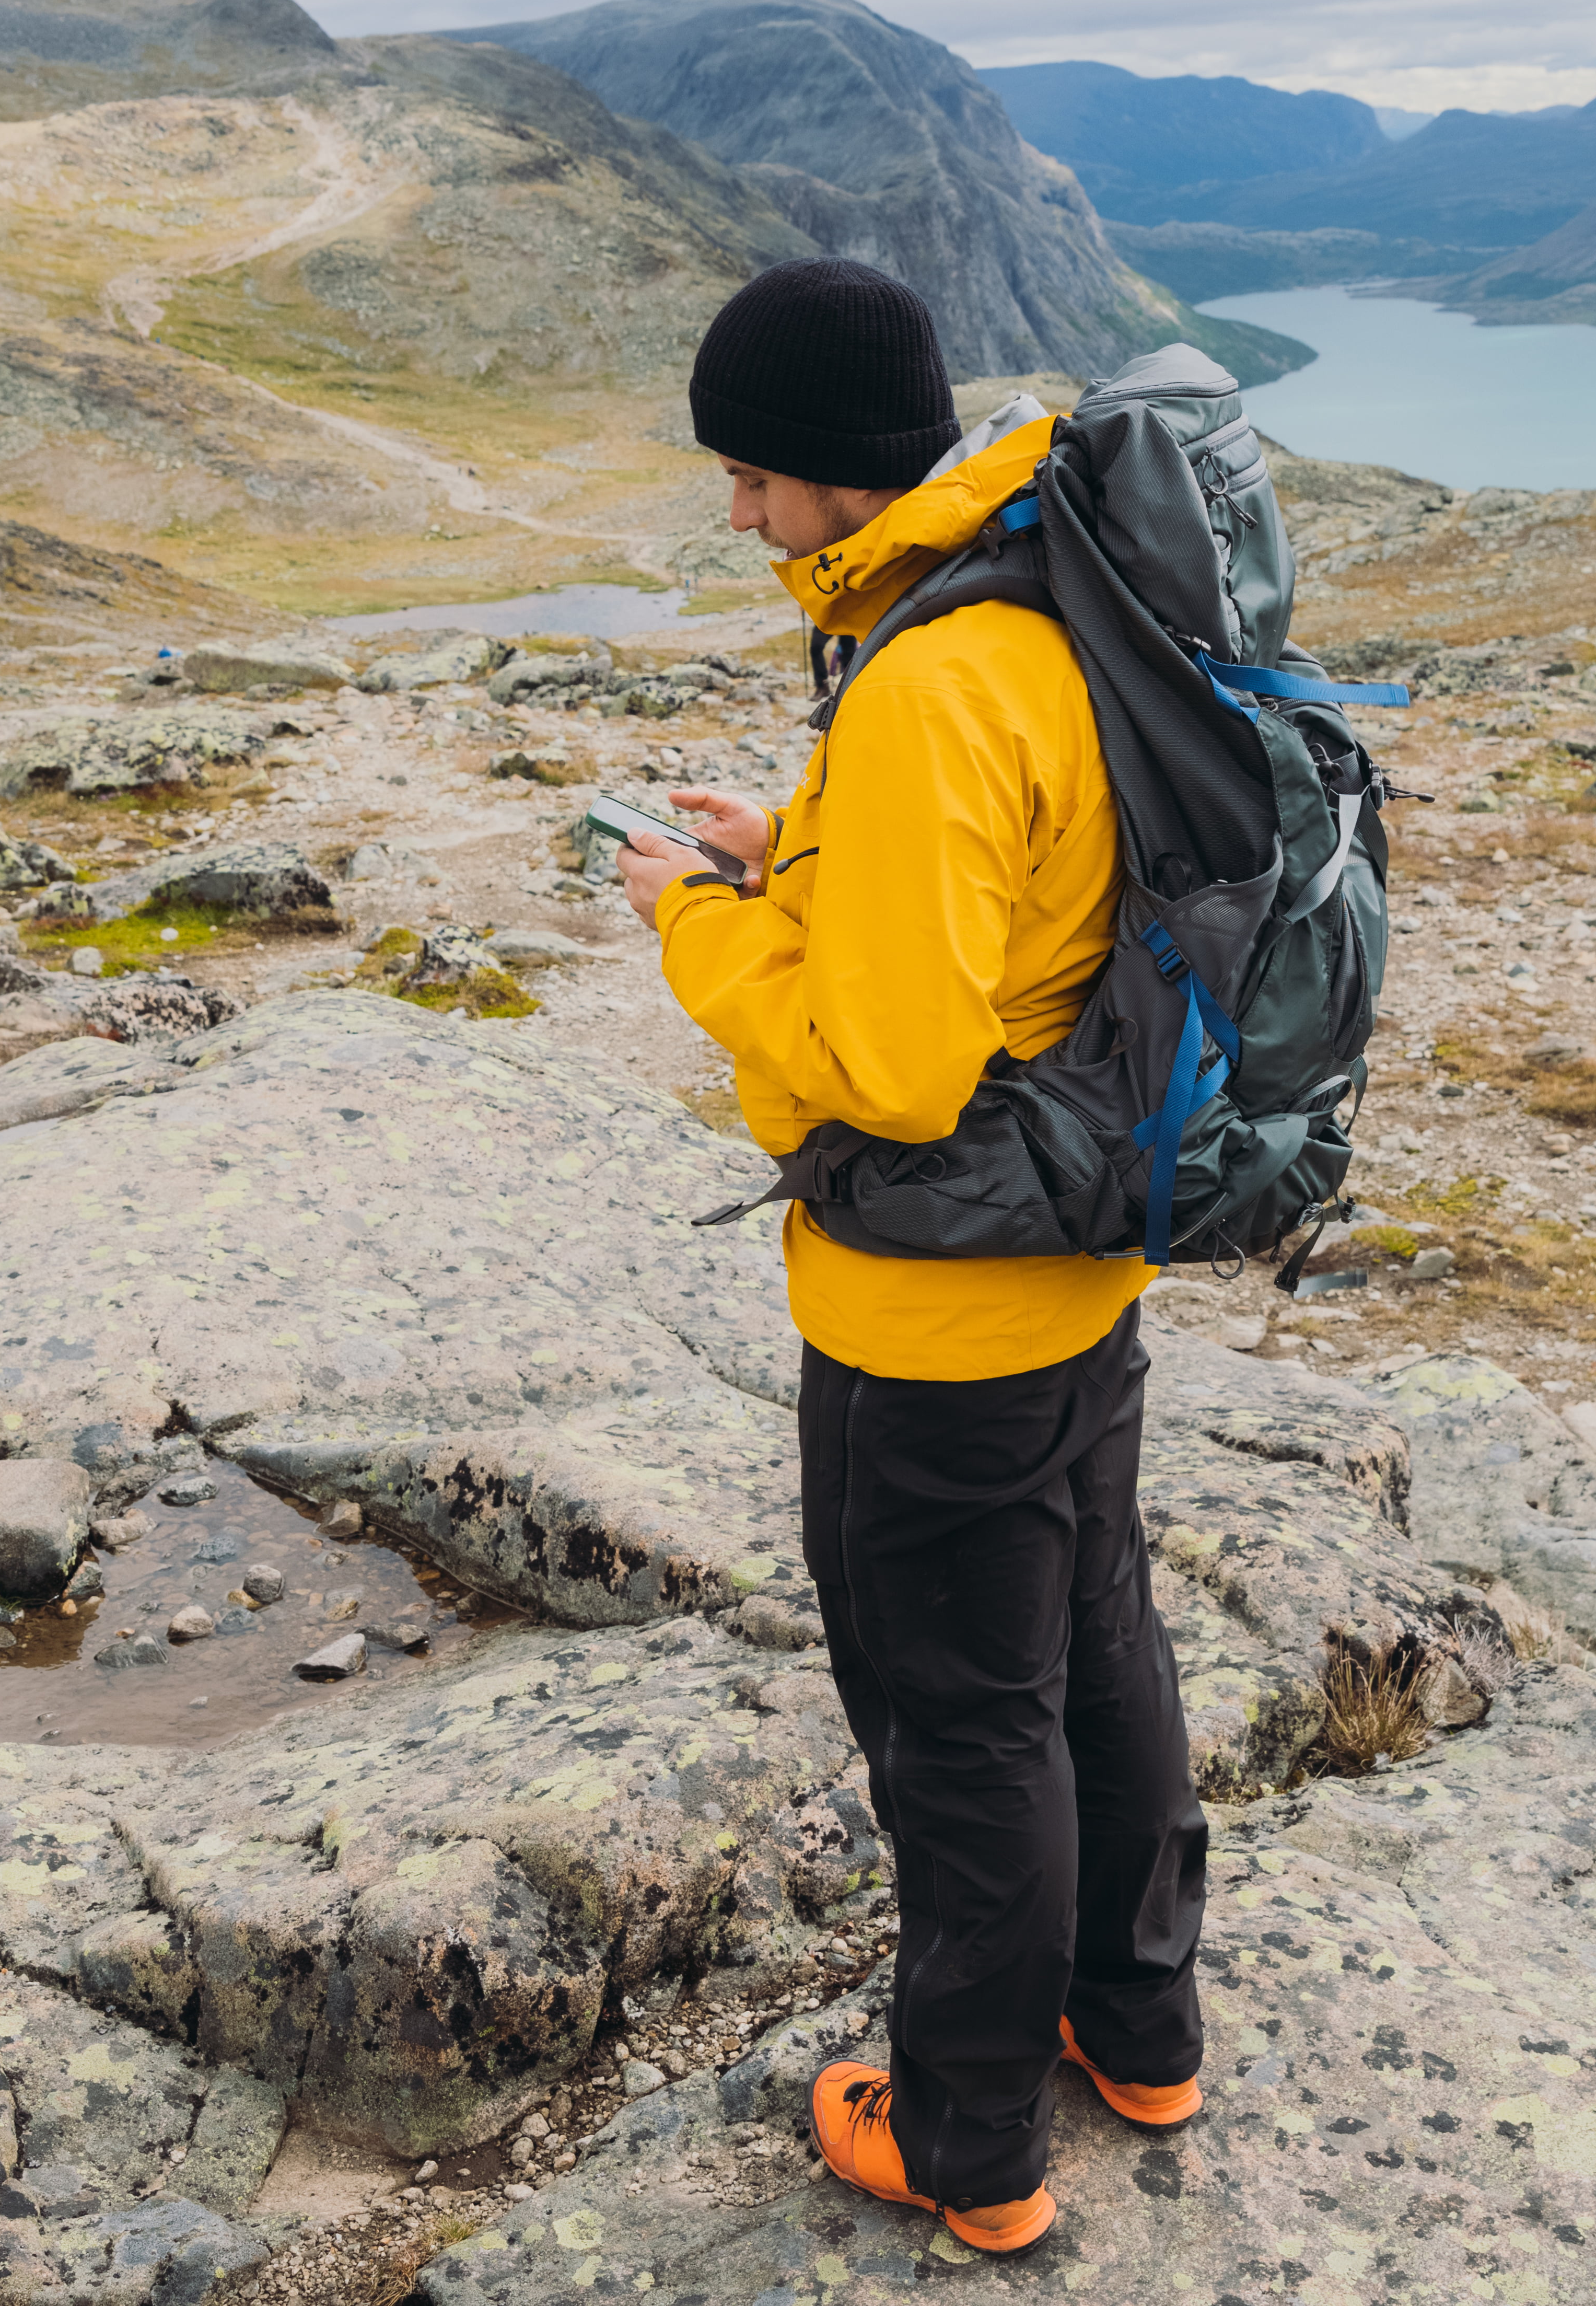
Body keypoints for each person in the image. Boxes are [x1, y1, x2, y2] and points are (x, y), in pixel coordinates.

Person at [615, 258, 1208, 2255]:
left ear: (839, 467)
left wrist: (693, 922)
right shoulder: (1041, 602)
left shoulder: (929, 684)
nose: (736, 513)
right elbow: (1024, 890)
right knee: (1098, 1652)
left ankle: (966, 2141)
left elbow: (887, 1066)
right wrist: (793, 849)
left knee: (963, 1728)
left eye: (751, 475)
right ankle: (1140, 2030)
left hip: (933, 1322)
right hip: (1078, 1267)